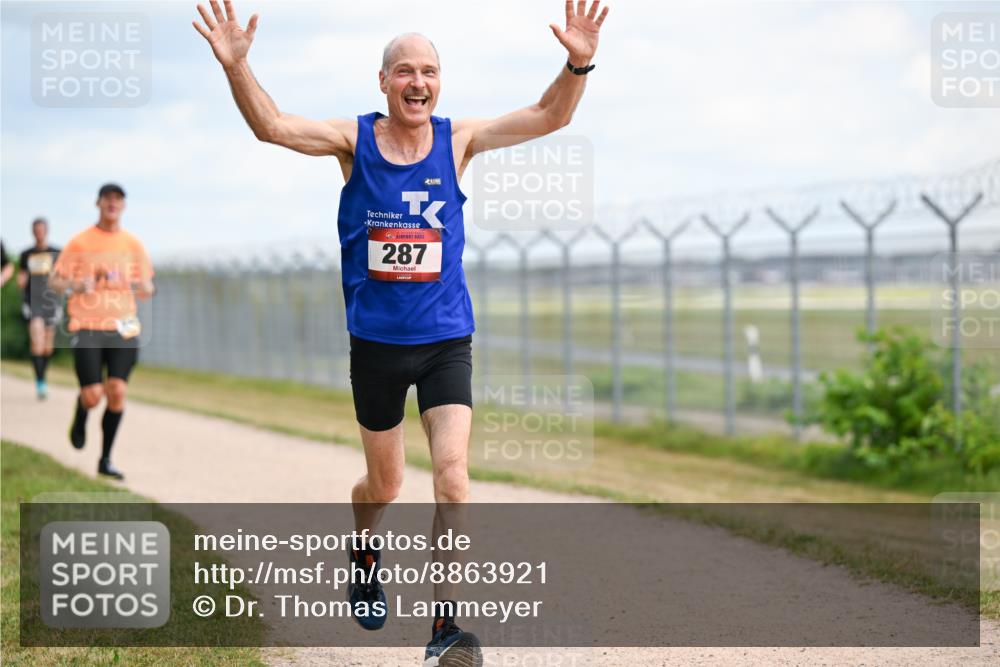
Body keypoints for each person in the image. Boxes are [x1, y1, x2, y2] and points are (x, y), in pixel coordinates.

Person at [194, 1, 608, 662]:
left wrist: (578, 59)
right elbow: (272, 126)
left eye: (431, 72)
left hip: (447, 339)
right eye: (406, 71)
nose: (419, 82)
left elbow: (550, 114)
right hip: (377, 347)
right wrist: (239, 67)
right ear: (383, 82)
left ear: (439, 83)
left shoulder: (460, 139)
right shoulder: (353, 141)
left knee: (452, 477)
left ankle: (444, 625)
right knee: (384, 485)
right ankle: (363, 545)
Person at [49, 184, 155, 480]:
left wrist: (143, 287)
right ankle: (82, 409)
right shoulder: (80, 242)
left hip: (123, 326)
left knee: (118, 391)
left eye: (118, 199)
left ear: (123, 206)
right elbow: (55, 282)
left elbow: (148, 286)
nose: (112, 203)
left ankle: (105, 459)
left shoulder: (132, 245)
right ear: (98, 203)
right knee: (95, 395)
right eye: (108, 198)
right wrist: (76, 285)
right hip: (87, 325)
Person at [17, 218, 62, 399]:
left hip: (50, 302)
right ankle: (40, 382)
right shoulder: (26, 254)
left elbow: (62, 278)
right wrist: (23, 280)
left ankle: (43, 376)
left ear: (47, 231)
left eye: (42, 230)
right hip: (32, 301)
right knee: (37, 339)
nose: (39, 233)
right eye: (36, 230)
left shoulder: (57, 253)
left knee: (47, 346)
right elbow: (21, 279)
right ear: (33, 232)